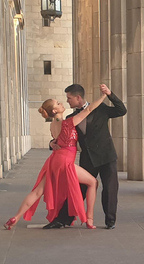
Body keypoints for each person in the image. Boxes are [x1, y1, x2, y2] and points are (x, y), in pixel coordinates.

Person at [4, 88, 110, 230]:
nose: (61, 103)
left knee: (37, 191)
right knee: (93, 182)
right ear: (55, 111)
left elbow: (55, 141)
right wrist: (104, 96)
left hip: (54, 160)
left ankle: (15, 218)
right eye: (58, 104)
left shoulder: (53, 125)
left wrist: (51, 143)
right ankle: (89, 219)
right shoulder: (68, 123)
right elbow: (89, 109)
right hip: (64, 161)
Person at [45, 83, 126, 230]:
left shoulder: (100, 108)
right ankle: (63, 219)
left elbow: (122, 110)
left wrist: (109, 94)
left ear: (78, 97)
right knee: (77, 188)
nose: (67, 101)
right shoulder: (71, 117)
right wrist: (51, 143)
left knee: (110, 188)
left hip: (107, 155)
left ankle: (110, 221)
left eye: (69, 98)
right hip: (88, 158)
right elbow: (60, 136)